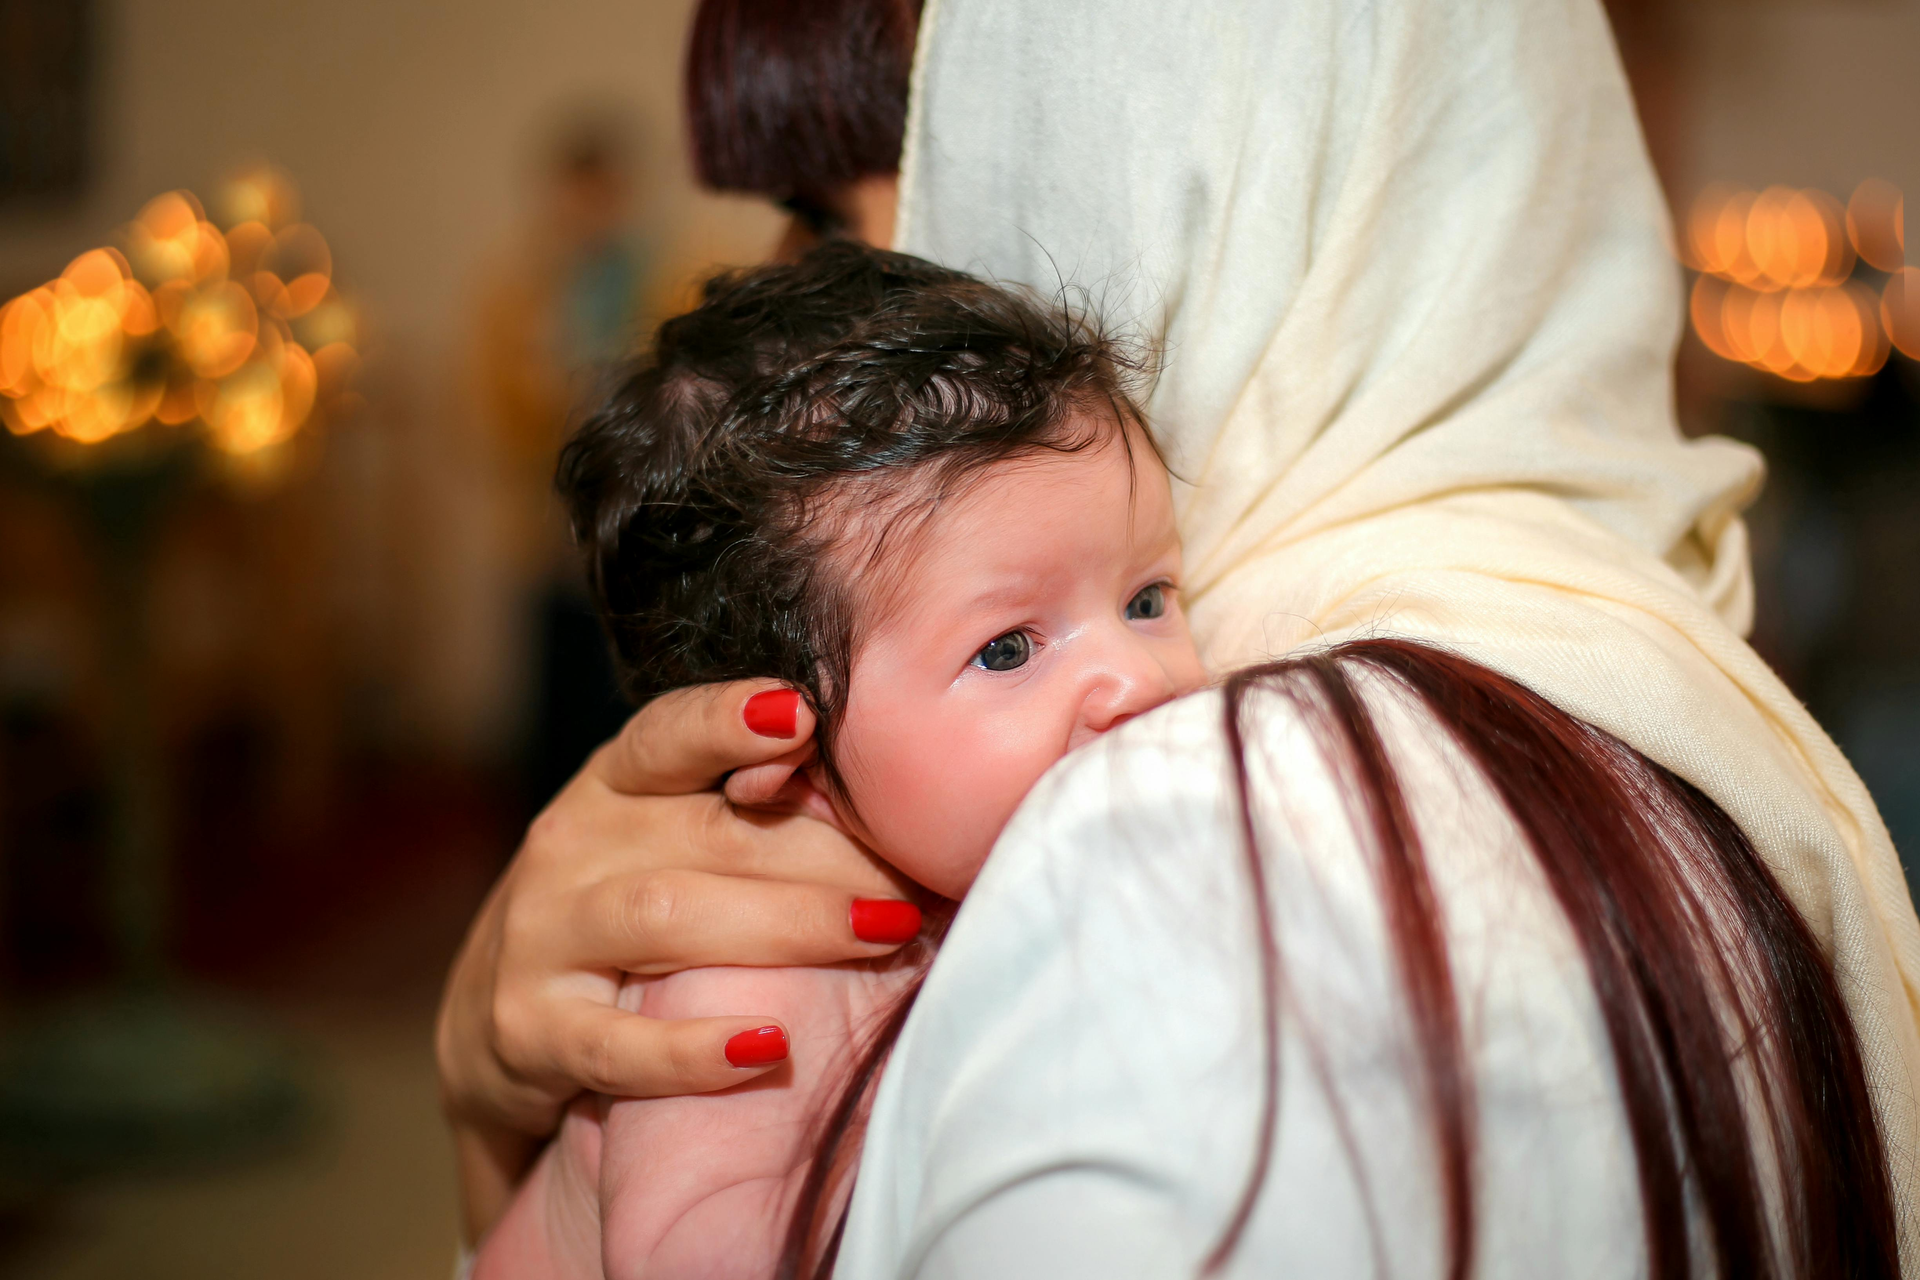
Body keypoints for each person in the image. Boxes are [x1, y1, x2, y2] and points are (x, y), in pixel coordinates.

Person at [437, 0, 1920, 1273]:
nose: (800, 292)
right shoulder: (1589, 662)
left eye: (837, 214)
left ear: (1113, 159)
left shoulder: (1178, 851)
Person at [472, 242, 1206, 1278]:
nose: (1135, 677)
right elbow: (693, 1252)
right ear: (782, 748)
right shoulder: (747, 977)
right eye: (1006, 647)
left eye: (1145, 598)